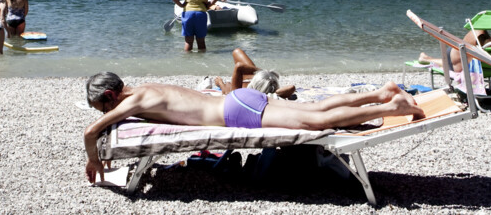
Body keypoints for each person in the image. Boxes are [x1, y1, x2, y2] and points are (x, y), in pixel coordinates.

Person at [82, 72, 423, 183]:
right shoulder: (143, 89)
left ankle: (392, 106)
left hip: (235, 114)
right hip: (238, 100)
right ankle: (381, 93)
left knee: (318, 122)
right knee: (315, 109)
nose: (108, 111)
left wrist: (94, 160)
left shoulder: (132, 102)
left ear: (111, 95)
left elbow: (90, 132)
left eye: (103, 105)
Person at [418, 25, 491, 71]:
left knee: (452, 63)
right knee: (453, 61)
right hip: (459, 57)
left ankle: (427, 59)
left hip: (456, 58)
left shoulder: (479, 33)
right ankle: (427, 59)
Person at [214, 48, 296, 99]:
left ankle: (261, 73)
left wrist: (220, 83)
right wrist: (264, 73)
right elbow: (292, 88)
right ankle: (262, 73)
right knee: (237, 51)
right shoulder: (273, 94)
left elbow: (239, 67)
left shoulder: (240, 93)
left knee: (228, 85)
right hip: (258, 79)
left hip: (253, 78)